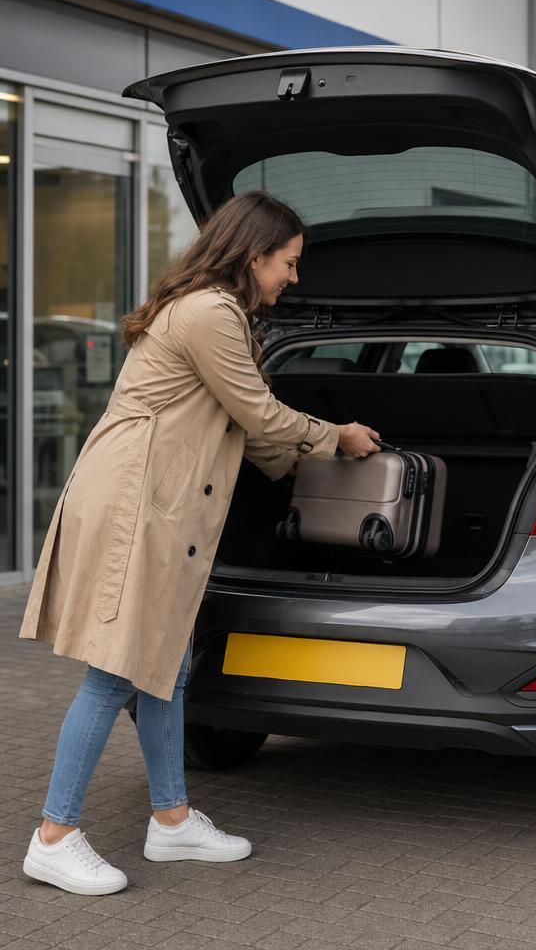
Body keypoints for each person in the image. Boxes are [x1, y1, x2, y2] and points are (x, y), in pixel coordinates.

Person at [20, 191, 381, 896]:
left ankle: (173, 818)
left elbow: (234, 424)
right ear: (253, 255)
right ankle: (54, 836)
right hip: (138, 506)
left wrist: (294, 459)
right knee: (116, 671)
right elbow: (255, 410)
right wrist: (335, 438)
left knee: (166, 666)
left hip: (157, 502)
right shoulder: (212, 312)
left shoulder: (213, 308)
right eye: (288, 262)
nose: (293, 278)